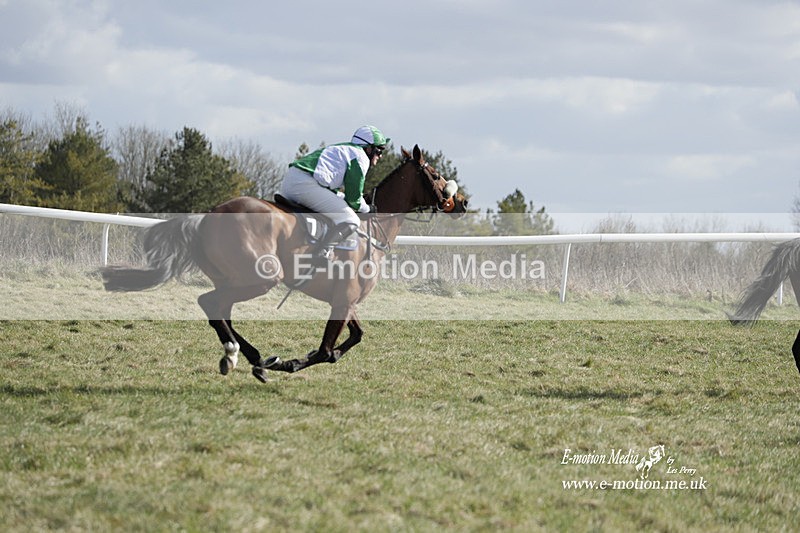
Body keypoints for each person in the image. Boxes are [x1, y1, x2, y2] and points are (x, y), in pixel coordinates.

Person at [280, 125, 389, 262]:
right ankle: (323, 252)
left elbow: (335, 192)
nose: (381, 156)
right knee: (351, 220)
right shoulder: (361, 157)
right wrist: (367, 208)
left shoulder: (345, 150)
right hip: (304, 184)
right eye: (379, 151)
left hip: (291, 181)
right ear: (368, 148)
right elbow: (353, 200)